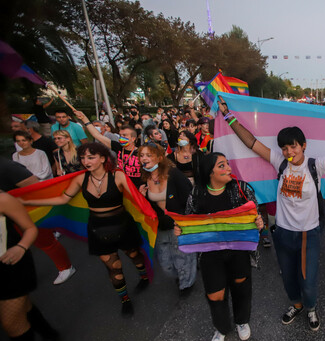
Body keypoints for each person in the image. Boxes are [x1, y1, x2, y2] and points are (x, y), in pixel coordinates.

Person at [217, 97, 325, 332]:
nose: (289, 151)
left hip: (308, 235)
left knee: (308, 280)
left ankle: (311, 307)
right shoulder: (279, 162)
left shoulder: (316, 165)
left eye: (293, 146)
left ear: (303, 145)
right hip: (283, 233)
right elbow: (252, 142)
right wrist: (228, 116)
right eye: (285, 147)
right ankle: (297, 304)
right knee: (289, 278)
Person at [21, 143, 150, 314]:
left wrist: (148, 195)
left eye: (91, 157)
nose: (86, 161)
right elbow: (62, 200)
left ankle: (143, 276)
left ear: (103, 158)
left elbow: (136, 198)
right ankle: (125, 300)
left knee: (135, 256)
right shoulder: (80, 179)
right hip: (97, 229)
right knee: (114, 268)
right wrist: (28, 202)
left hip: (123, 225)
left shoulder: (118, 176)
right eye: (83, 158)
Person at [177, 152, 263, 341]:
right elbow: (189, 222)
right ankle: (221, 328)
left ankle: (242, 320)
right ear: (210, 172)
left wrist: (258, 222)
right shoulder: (197, 194)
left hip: (238, 251)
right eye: (222, 166)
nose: (228, 169)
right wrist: (181, 229)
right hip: (210, 255)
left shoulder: (241, 189)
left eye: (227, 164)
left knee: (241, 288)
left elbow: (254, 214)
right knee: (215, 294)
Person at [1, 191, 59, 341]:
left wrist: (21, 247)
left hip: (12, 265)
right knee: (21, 307)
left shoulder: (3, 200)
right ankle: (49, 334)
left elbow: (29, 228)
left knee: (10, 321)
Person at [138, 143, 196, 296]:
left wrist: (185, 221)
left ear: (159, 157)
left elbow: (190, 198)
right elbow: (147, 208)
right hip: (161, 227)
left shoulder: (174, 174)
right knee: (166, 264)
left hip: (179, 224)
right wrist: (142, 197)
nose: (144, 158)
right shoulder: (144, 178)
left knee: (183, 258)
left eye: (148, 155)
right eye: (142, 155)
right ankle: (180, 276)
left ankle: (186, 284)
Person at [75, 111, 143, 187]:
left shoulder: (141, 152)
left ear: (133, 138)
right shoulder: (118, 147)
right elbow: (97, 135)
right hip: (121, 185)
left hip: (137, 187)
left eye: (125, 135)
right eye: (120, 135)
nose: (121, 138)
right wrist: (85, 119)